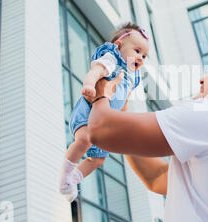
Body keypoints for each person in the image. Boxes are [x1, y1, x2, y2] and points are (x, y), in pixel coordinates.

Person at [86, 54, 208, 222]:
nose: (201, 79)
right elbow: (157, 178)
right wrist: (124, 116)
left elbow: (100, 129)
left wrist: (101, 92)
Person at [59, 22, 149, 202]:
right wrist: (89, 85)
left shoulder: (132, 77)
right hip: (88, 111)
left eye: (144, 56)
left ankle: (74, 179)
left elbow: (124, 103)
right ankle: (64, 175)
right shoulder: (112, 59)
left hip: (103, 123)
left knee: (98, 159)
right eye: (137, 51)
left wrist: (123, 121)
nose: (140, 57)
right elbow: (95, 71)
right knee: (84, 139)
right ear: (119, 46)